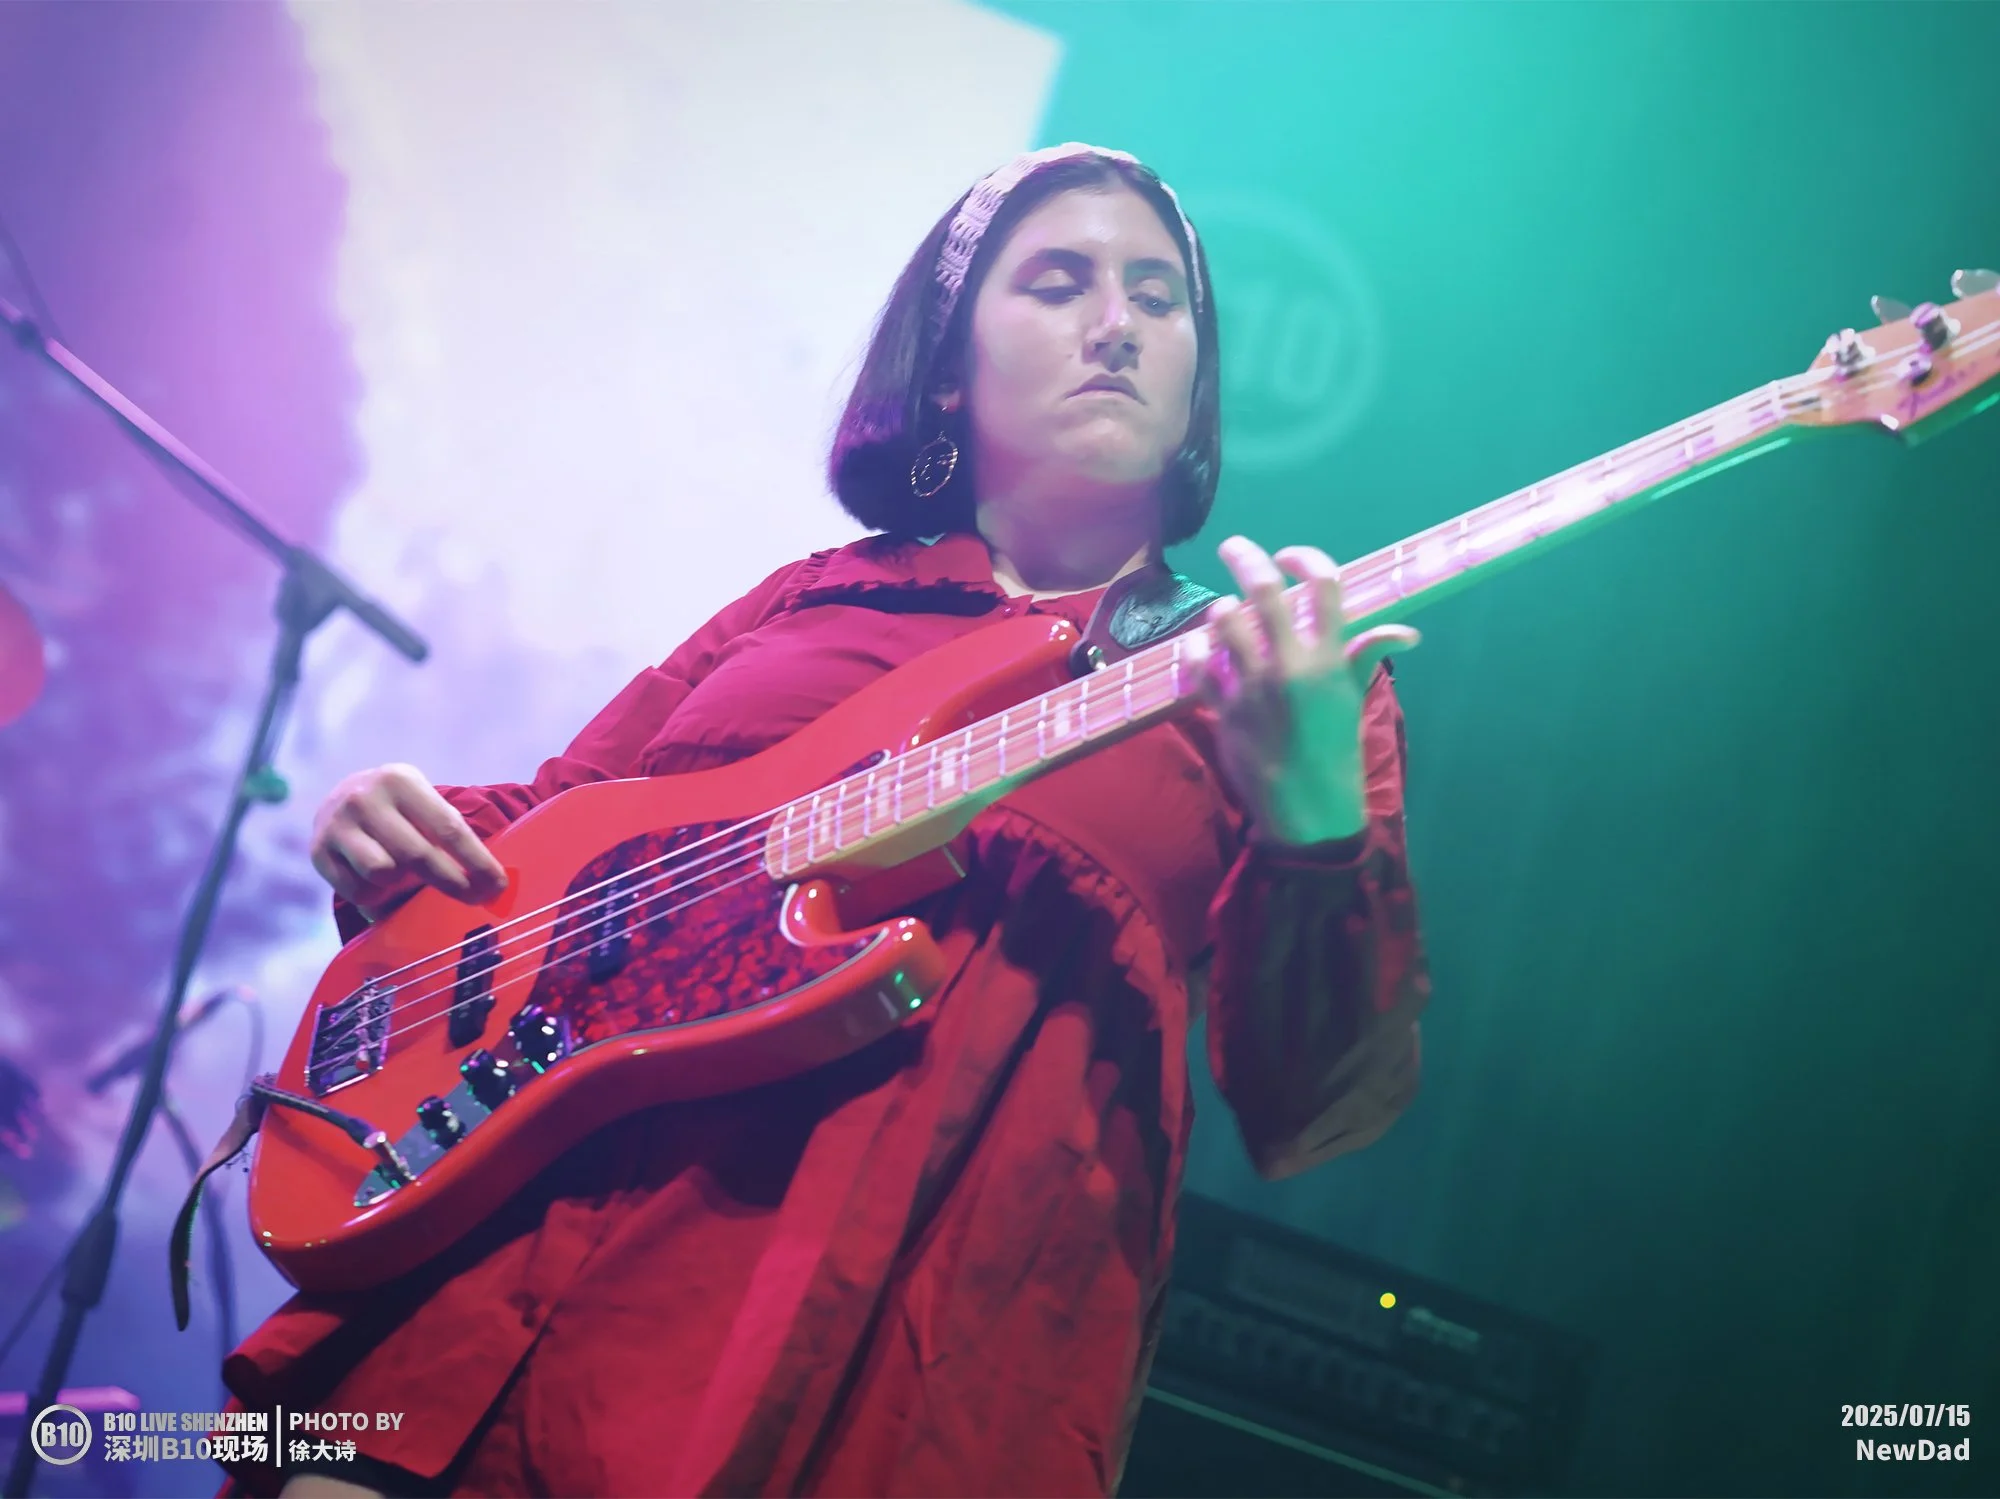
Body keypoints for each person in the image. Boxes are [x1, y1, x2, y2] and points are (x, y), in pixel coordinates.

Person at [216, 142, 1429, 1499]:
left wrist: (1314, 821)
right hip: (516, 1271)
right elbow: (555, 831)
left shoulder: (1273, 676)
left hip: (874, 1349)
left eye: (1159, 297)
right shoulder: (805, 600)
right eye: (1058, 283)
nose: (1118, 324)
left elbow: (1317, 1103)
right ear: (950, 371)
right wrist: (389, 827)